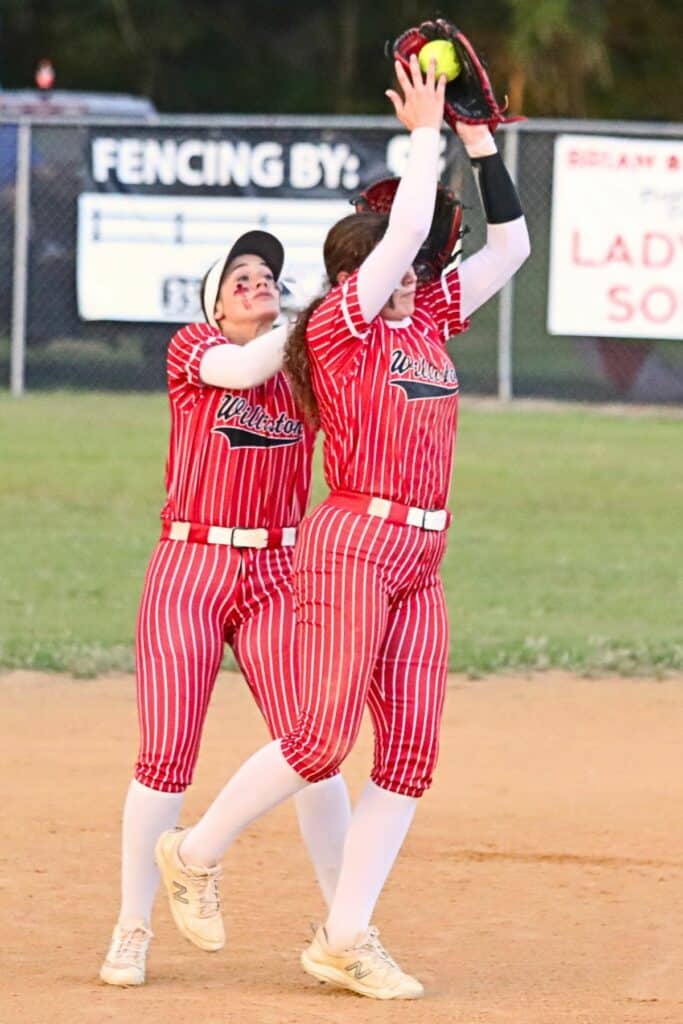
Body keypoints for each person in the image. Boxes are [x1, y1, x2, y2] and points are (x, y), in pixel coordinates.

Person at [155, 54, 530, 1000]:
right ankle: (193, 852)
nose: (420, 268)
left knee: (409, 753)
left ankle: (344, 935)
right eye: (399, 262)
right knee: (319, 741)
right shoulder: (341, 328)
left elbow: (510, 251)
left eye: (418, 264)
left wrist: (480, 147)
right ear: (354, 273)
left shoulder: (427, 322)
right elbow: (405, 228)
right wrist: (420, 135)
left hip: (424, 554)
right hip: (353, 543)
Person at [99, 231, 352, 987]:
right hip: (191, 564)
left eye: (267, 273)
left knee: (314, 746)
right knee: (166, 758)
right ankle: (132, 926)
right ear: (214, 301)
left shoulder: (305, 372)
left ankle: (346, 927)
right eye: (240, 274)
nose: (257, 280)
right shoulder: (197, 349)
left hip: (277, 568)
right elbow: (244, 367)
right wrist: (319, 318)